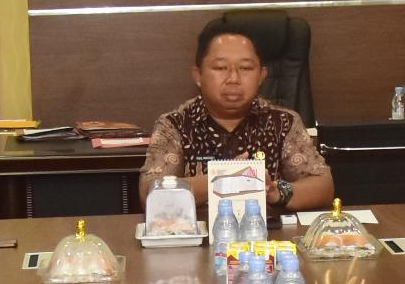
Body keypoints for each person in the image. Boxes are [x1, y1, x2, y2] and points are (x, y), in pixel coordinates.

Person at [139, 15, 335, 213]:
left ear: (261, 76)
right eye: (220, 67)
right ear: (198, 76)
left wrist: (276, 192)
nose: (233, 78)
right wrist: (225, 178)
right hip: (199, 231)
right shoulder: (175, 124)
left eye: (245, 68)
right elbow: (151, 194)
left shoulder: (283, 122)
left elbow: (323, 186)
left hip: (263, 230)